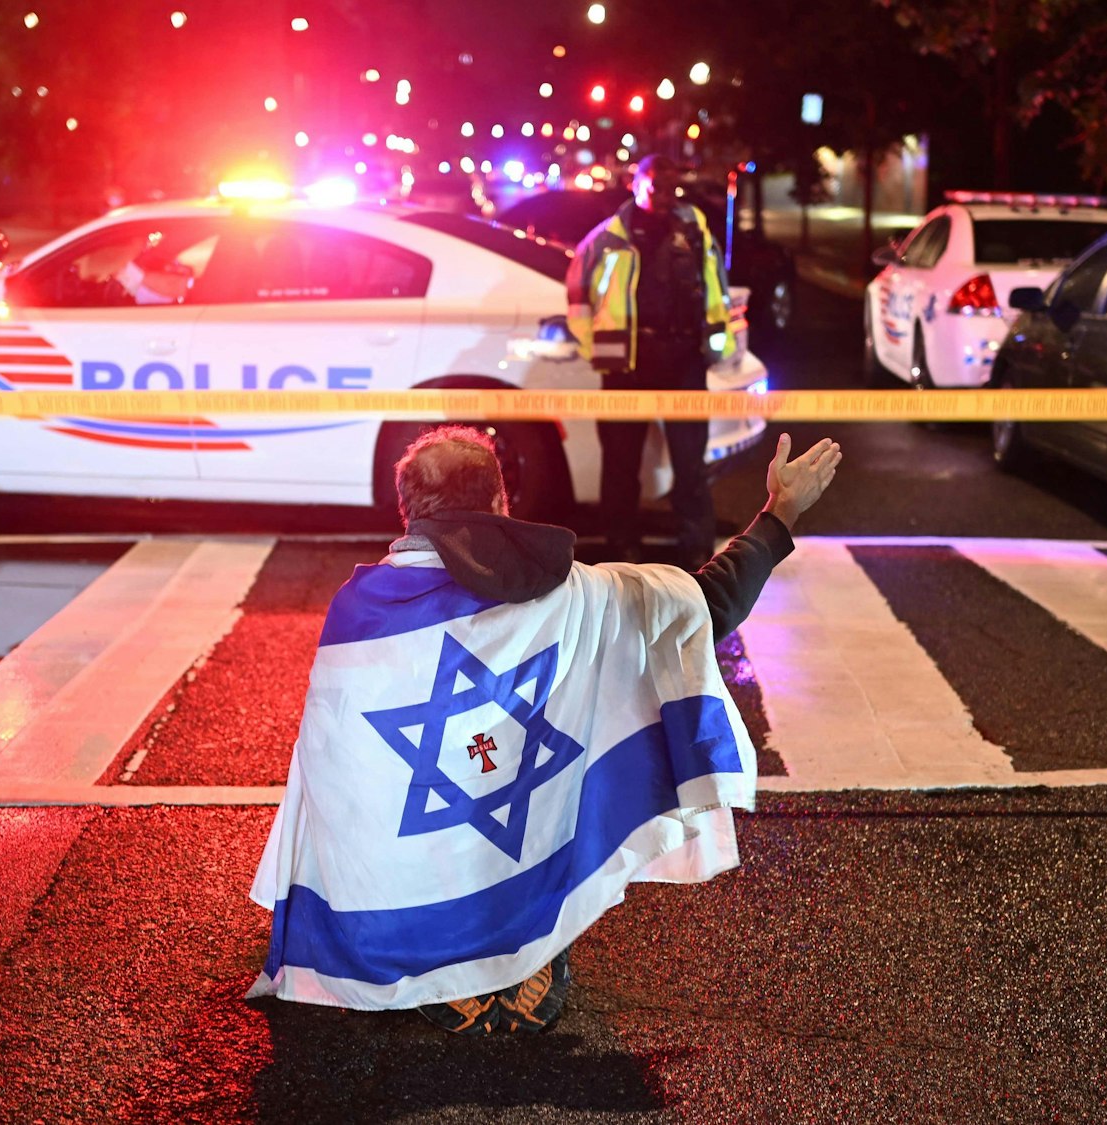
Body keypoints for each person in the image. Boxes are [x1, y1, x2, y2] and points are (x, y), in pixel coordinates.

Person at [248, 425, 840, 1034]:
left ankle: (430, 952)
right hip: (522, 819)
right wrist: (779, 513)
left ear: (405, 515)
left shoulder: (361, 611)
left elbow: (332, 774)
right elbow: (703, 602)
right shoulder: (575, 594)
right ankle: (527, 944)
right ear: (504, 502)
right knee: (549, 780)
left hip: (405, 872)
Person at [567, 155, 739, 568]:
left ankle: (696, 551)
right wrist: (599, 349)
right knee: (621, 465)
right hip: (627, 367)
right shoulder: (607, 239)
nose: (663, 195)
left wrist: (716, 347)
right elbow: (577, 299)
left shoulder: (695, 230)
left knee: (690, 464)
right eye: (655, 185)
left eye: (671, 187)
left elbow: (717, 288)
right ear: (635, 183)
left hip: (683, 362)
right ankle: (621, 547)